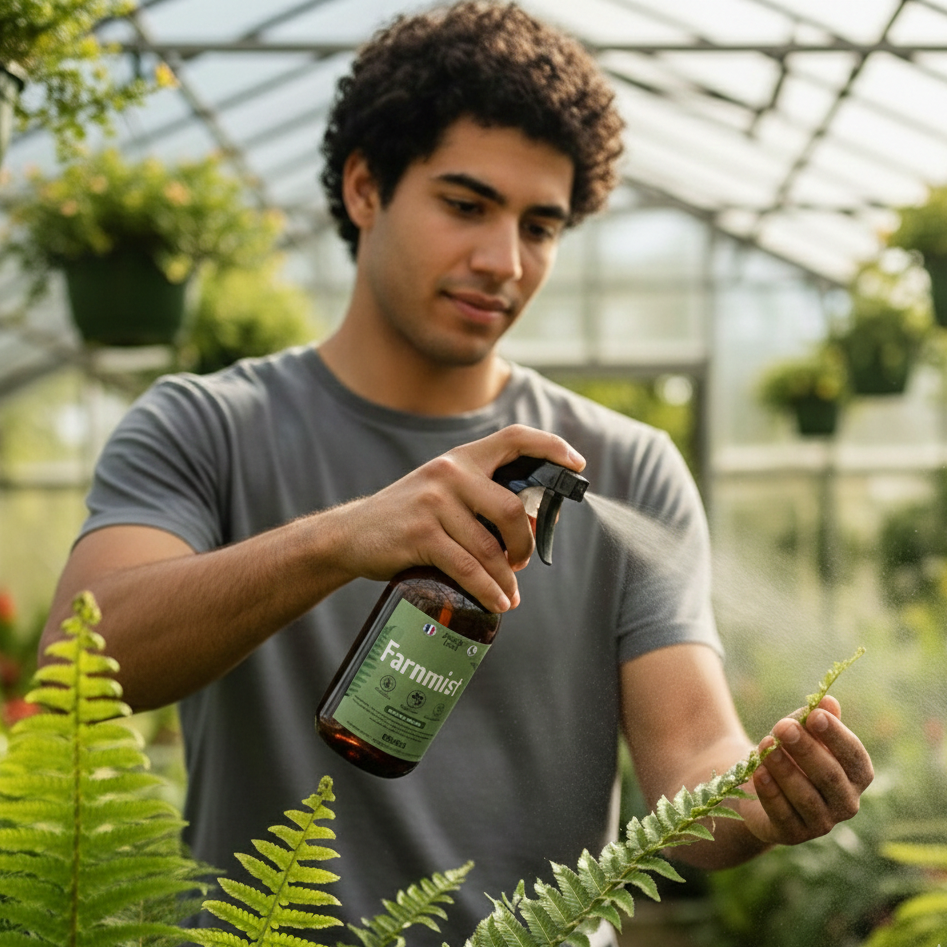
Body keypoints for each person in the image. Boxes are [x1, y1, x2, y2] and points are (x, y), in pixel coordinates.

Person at [40, 1, 873, 942]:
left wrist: (760, 799)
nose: (502, 262)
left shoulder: (625, 467)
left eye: (540, 226)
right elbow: (85, 652)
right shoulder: (205, 427)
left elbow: (690, 754)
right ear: (364, 189)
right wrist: (341, 538)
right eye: (466, 205)